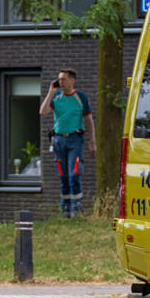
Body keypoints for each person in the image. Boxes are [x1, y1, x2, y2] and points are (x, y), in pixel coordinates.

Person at [40, 69, 96, 218]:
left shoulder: (80, 97)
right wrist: (51, 92)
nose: (60, 82)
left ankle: (77, 212)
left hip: (74, 140)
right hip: (58, 140)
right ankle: (65, 212)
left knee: (74, 175)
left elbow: (89, 121)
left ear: (72, 81)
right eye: (59, 79)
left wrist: (92, 142)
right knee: (63, 177)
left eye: (64, 79)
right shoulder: (56, 96)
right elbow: (43, 112)